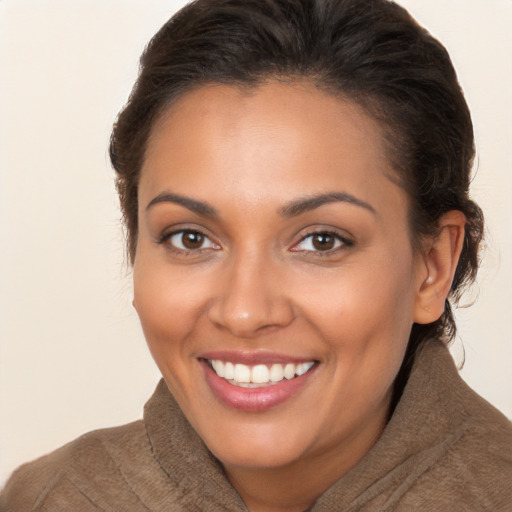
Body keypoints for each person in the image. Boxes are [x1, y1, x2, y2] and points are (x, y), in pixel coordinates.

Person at [1, 0, 511, 510]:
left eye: (321, 240)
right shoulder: (49, 499)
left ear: (432, 267)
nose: (244, 312)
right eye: (191, 238)